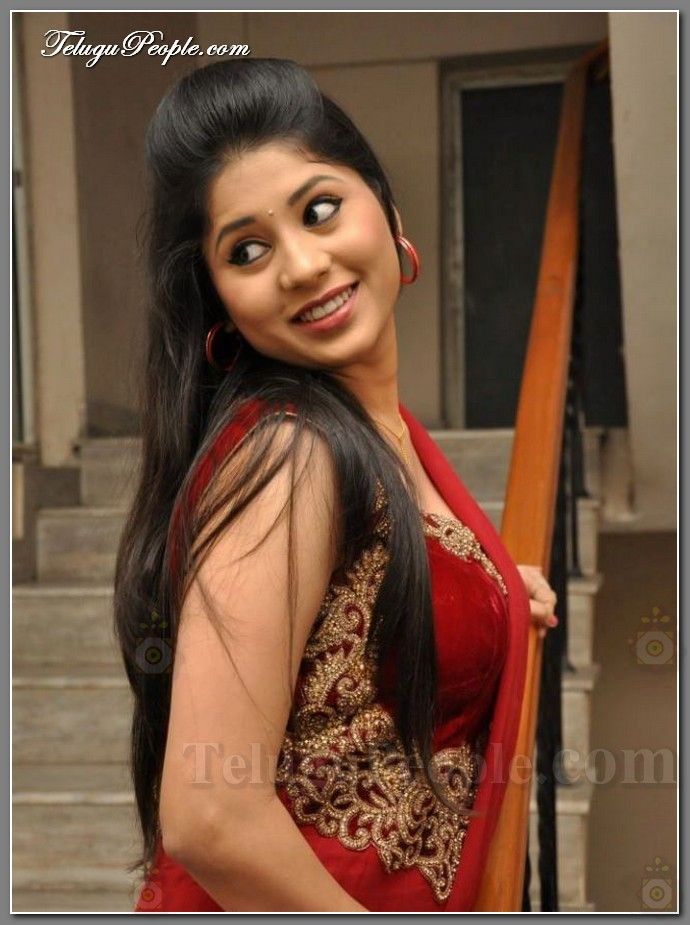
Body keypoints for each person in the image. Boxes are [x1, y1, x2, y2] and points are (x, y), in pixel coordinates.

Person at [114, 57, 558, 914]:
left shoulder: (385, 439)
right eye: (247, 250)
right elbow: (210, 815)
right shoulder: (288, 456)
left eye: (319, 209)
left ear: (388, 214)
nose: (301, 265)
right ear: (222, 305)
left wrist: (496, 588)